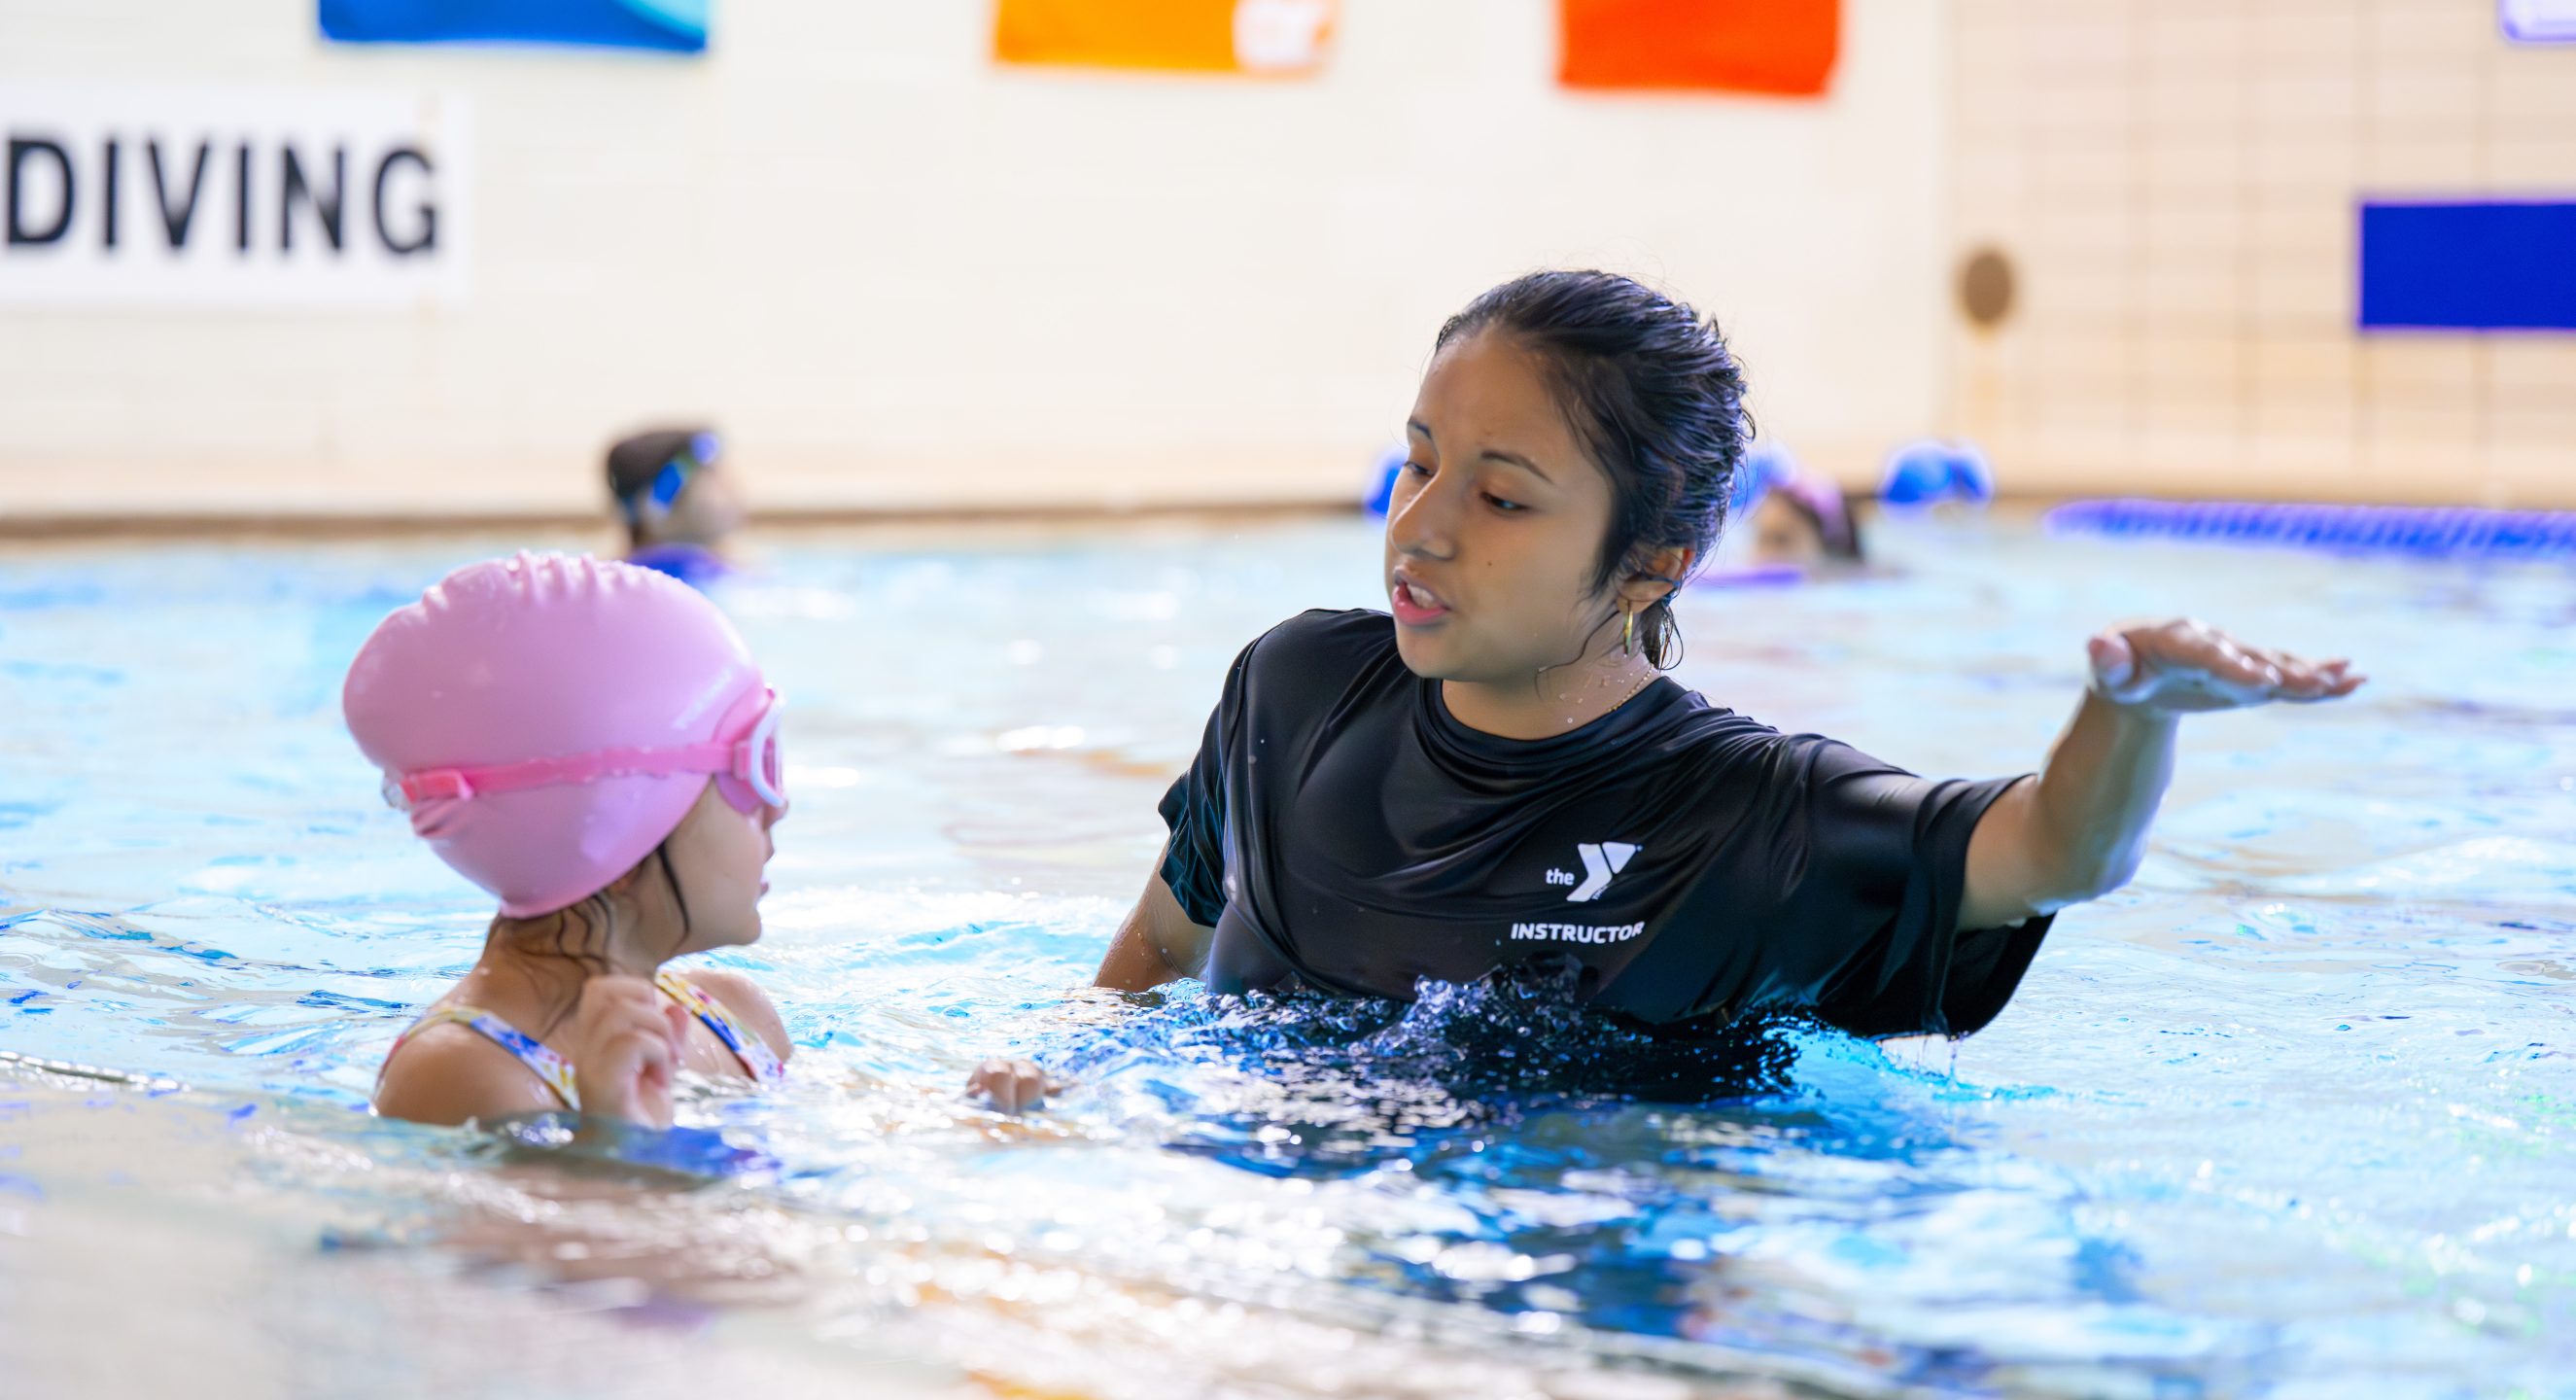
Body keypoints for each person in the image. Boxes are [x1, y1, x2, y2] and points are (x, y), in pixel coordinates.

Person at [1093, 270, 2362, 1043]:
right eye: (1417, 461)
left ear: (1650, 565)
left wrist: (2130, 715)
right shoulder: (1291, 686)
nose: (1418, 527)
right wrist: (1051, 1084)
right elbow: (1160, 945)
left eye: (1500, 497)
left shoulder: (1742, 816)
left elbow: (2053, 854)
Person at [349, 552, 794, 1128]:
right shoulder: (465, 1076)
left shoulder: (734, 1015)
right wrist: (616, 1154)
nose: (775, 806)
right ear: (619, 821)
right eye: (749, 767)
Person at [607, 428, 745, 589]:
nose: (729, 485)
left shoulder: (612, 580)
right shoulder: (717, 586)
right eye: (711, 473)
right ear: (657, 508)